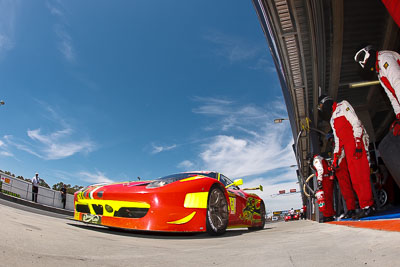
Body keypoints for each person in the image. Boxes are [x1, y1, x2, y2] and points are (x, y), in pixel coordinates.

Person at [318, 95, 375, 219]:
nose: (322, 109)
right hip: (348, 149)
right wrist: (335, 158)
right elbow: (338, 140)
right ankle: (363, 205)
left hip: (356, 142)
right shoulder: (332, 119)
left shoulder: (343, 105)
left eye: (321, 106)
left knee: (361, 175)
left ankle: (369, 206)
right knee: (355, 179)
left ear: (325, 102)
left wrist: (358, 141)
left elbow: (356, 122)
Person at [354, 45, 400, 136]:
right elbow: (391, 95)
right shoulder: (379, 72)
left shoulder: (384, 58)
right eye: (360, 62)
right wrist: (398, 115)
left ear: (368, 51)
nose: (363, 63)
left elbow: (398, 82)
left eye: (362, 57)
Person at [312, 154, 335, 222]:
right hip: (327, 179)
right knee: (329, 198)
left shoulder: (316, 160)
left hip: (324, 180)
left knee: (325, 199)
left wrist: (319, 181)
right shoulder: (323, 159)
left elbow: (320, 170)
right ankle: (330, 214)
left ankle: (327, 216)